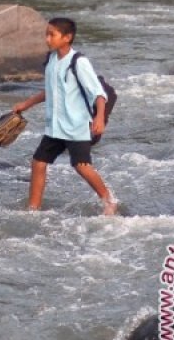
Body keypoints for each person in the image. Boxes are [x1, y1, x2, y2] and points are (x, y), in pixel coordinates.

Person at [12, 17, 117, 216]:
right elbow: (50, 91)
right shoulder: (51, 60)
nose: (47, 39)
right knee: (38, 163)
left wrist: (99, 118)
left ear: (67, 37)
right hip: (55, 127)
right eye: (46, 34)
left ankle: (109, 200)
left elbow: (98, 94)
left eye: (52, 34)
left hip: (76, 126)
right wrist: (25, 105)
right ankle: (33, 209)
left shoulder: (79, 62)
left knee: (82, 166)